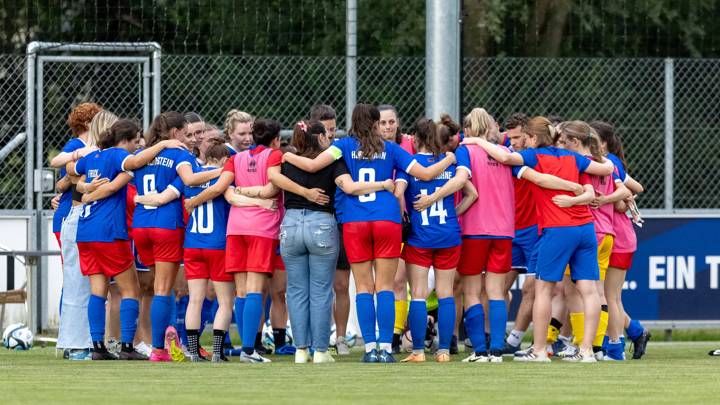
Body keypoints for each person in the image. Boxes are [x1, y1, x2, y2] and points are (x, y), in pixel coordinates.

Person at [282, 103, 456, 363]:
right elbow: (428, 173)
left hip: (355, 222)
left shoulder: (342, 146)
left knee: (364, 288)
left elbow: (312, 166)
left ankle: (369, 349)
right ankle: (386, 349)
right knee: (385, 287)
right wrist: (451, 158)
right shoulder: (392, 149)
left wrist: (286, 156)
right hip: (387, 220)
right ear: (376, 123)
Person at [462, 116, 615, 362]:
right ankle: (587, 350)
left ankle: (540, 350)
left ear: (533, 138)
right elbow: (606, 168)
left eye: (526, 138)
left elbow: (505, 157)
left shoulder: (534, 156)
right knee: (590, 291)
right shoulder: (573, 157)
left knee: (543, 290)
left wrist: (474, 141)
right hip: (586, 227)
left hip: (558, 229)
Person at [274, 120, 392, 363]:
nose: (330, 139)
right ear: (319, 139)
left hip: (291, 223)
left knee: (296, 290)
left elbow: (270, 180)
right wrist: (382, 185)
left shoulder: (286, 160)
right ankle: (320, 350)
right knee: (320, 290)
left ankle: (300, 350)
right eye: (326, 135)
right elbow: (348, 187)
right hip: (322, 224)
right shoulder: (333, 162)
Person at [74, 119, 185, 360]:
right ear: (123, 141)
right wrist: (163, 143)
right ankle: (126, 346)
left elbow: (73, 171)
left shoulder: (93, 156)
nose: (137, 147)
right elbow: (133, 163)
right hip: (109, 231)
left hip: (85, 231)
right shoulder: (116, 156)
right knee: (131, 289)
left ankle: (97, 348)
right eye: (135, 142)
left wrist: (83, 188)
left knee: (98, 291)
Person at [185, 118, 285, 363]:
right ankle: (249, 350)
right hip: (262, 227)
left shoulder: (235, 159)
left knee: (241, 292)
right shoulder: (274, 155)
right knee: (254, 290)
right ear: (276, 140)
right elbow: (273, 189)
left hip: (235, 228)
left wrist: (195, 201)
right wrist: (260, 198)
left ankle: (243, 347)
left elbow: (221, 189)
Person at [132, 112, 221, 362]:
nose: (189, 138)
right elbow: (191, 178)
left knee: (159, 287)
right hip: (165, 225)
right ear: (174, 133)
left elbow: (128, 168)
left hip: (141, 225)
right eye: (185, 132)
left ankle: (163, 341)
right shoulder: (179, 154)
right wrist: (221, 171)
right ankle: (159, 350)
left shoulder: (142, 157)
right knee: (163, 289)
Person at [393, 117, 473, 363]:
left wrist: (403, 219)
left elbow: (398, 193)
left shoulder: (410, 164)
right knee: (446, 293)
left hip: (420, 236)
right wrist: (453, 213)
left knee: (417, 293)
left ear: (415, 139)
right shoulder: (449, 163)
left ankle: (418, 351)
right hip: (448, 233)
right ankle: (444, 351)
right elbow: (472, 194)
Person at [555, 121, 631, 360]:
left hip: (587, 231)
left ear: (576, 142)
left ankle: (584, 344)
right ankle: (602, 347)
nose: (563, 147)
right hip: (607, 233)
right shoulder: (606, 163)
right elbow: (626, 192)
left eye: (565, 143)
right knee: (599, 293)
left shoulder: (582, 165)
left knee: (574, 291)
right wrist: (608, 198)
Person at [591, 120, 650, 360]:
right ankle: (634, 332)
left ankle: (615, 348)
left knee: (609, 297)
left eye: (592, 138)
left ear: (602, 143)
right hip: (619, 235)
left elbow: (624, 196)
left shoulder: (608, 162)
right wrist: (624, 199)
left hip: (616, 236)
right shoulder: (609, 162)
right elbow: (636, 187)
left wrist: (616, 199)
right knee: (608, 296)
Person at [54, 106, 107, 360]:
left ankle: (83, 341)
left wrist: (70, 181)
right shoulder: (81, 145)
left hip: (87, 219)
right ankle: (74, 343)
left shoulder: (99, 152)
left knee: (86, 284)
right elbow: (61, 170)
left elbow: (66, 181)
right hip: (73, 217)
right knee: (75, 283)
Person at [310, 104, 351, 355]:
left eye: (334, 129)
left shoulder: (341, 153)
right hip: (314, 223)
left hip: (340, 222)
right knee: (316, 285)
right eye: (326, 130)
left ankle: (342, 337)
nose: (331, 135)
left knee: (341, 285)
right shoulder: (303, 156)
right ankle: (315, 337)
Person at [378, 104, 414, 351]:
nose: (388, 127)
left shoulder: (409, 144)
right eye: (383, 123)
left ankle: (398, 335)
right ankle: (390, 335)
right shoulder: (367, 149)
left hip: (408, 220)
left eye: (391, 122)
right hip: (380, 220)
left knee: (405, 282)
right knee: (391, 282)